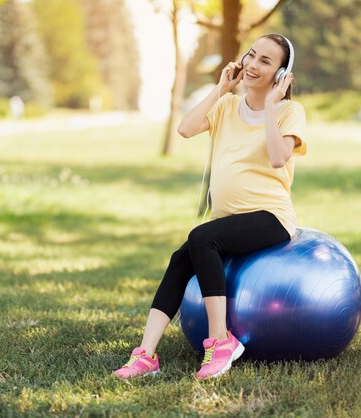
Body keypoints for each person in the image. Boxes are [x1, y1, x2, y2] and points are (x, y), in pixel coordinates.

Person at [113, 33, 307, 380]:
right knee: (180, 258)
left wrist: (272, 107)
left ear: (281, 74)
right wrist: (220, 89)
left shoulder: (290, 111)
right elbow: (186, 128)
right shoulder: (226, 106)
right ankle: (145, 355)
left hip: (269, 217)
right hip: (225, 221)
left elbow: (279, 158)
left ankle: (220, 341)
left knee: (201, 238)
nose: (252, 64)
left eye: (265, 61)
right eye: (251, 55)